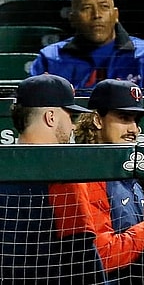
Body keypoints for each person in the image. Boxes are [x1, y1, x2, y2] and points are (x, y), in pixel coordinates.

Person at [1, 74, 107, 283]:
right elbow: (81, 252)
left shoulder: (4, 165)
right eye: (70, 116)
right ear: (50, 116)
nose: (73, 127)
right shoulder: (62, 174)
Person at [72, 79, 144, 283]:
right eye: (124, 118)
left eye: (136, 121)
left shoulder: (125, 176)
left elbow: (134, 258)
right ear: (97, 119)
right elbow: (101, 257)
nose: (135, 130)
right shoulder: (87, 176)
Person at [30, 0, 144, 92]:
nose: (97, 15)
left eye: (104, 7)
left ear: (116, 15)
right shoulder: (49, 59)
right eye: (87, 8)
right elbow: (32, 109)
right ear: (72, 18)